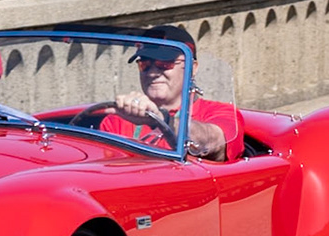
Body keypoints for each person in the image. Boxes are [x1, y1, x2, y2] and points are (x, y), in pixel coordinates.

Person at [97, 25, 242, 162]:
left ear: (192, 68)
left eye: (164, 64)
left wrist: (160, 120)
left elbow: (213, 141)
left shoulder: (221, 113)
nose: (153, 73)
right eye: (145, 65)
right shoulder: (117, 120)